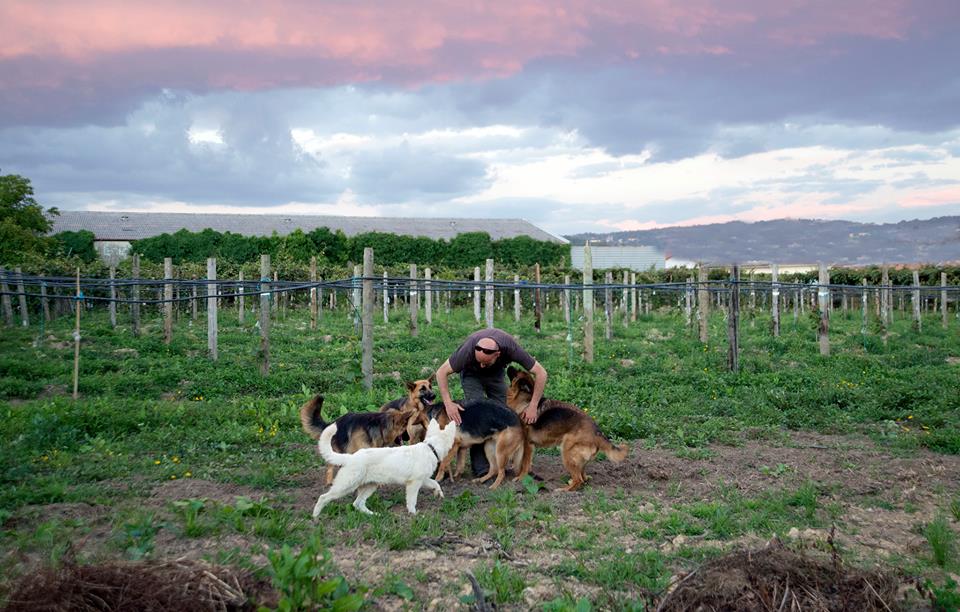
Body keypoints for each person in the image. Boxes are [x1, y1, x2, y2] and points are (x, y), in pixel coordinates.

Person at [435, 328, 548, 476]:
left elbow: (541, 373)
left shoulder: (511, 348)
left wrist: (533, 406)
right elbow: (441, 372)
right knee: (478, 414)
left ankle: (500, 460)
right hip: (471, 375)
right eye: (479, 361)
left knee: (501, 413)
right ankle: (481, 467)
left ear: (498, 354)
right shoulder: (467, 350)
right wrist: (448, 404)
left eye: (485, 363)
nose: (482, 365)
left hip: (496, 374)